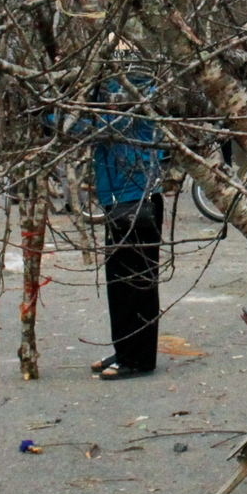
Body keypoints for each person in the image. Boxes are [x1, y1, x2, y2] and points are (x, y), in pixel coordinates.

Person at [84, 77, 166, 380]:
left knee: (137, 282)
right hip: (116, 196)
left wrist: (63, 108)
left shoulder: (140, 85)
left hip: (137, 195)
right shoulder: (104, 85)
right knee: (118, 282)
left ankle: (139, 357)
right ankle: (125, 348)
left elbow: (95, 128)